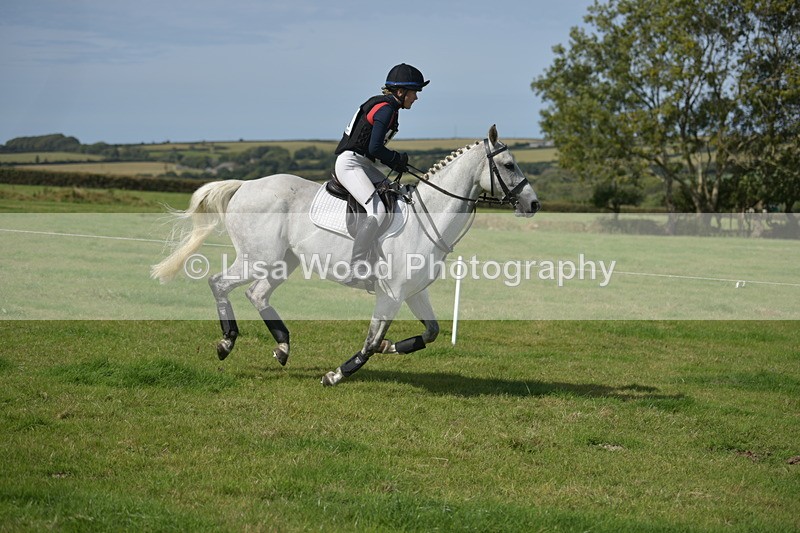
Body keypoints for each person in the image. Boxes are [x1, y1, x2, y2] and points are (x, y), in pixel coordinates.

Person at [334, 63, 429, 285]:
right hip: (350, 164)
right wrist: (395, 159)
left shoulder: (389, 107)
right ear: (400, 92)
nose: (416, 98)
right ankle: (357, 266)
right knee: (376, 210)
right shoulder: (386, 109)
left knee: (396, 195)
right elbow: (375, 148)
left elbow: (373, 150)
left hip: (362, 163)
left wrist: (397, 163)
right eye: (414, 92)